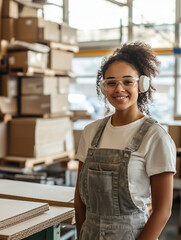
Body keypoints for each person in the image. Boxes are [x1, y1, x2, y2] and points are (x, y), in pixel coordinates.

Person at [74, 41, 176, 240]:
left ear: (142, 84)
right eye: (111, 83)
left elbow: (163, 211)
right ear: (104, 88)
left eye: (128, 81)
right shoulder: (90, 132)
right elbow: (80, 200)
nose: (119, 89)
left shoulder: (155, 137)